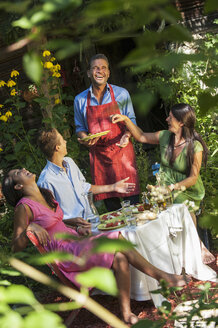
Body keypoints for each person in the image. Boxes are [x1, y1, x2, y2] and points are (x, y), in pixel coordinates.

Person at [2, 168, 190, 325]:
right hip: (68, 255)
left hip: (76, 242)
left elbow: (51, 222)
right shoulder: (23, 207)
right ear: (18, 186)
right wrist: (29, 226)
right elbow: (15, 246)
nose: (24, 169)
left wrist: (70, 222)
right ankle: (162, 276)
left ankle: (126, 314)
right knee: (117, 239)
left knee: (120, 256)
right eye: (19, 172)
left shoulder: (44, 194)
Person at [111, 103, 215, 264]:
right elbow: (141, 136)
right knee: (153, 208)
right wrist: (126, 120)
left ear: (181, 122)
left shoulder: (195, 146)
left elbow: (193, 177)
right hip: (164, 187)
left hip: (187, 188)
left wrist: (172, 187)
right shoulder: (165, 136)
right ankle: (167, 252)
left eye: (171, 117)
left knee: (180, 203)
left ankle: (198, 244)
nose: (166, 119)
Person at [74, 53, 140, 212]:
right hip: (100, 160)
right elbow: (80, 128)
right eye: (95, 68)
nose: (100, 71)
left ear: (109, 72)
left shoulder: (121, 94)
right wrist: (84, 138)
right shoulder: (80, 100)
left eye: (103, 68)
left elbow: (131, 120)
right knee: (113, 213)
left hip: (123, 155)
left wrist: (127, 135)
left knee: (133, 209)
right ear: (89, 73)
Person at [37, 128, 135, 231]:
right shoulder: (46, 181)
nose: (65, 142)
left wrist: (114, 187)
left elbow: (84, 187)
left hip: (93, 222)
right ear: (57, 148)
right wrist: (75, 227)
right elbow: (49, 219)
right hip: (73, 233)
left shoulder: (69, 162)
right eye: (62, 140)